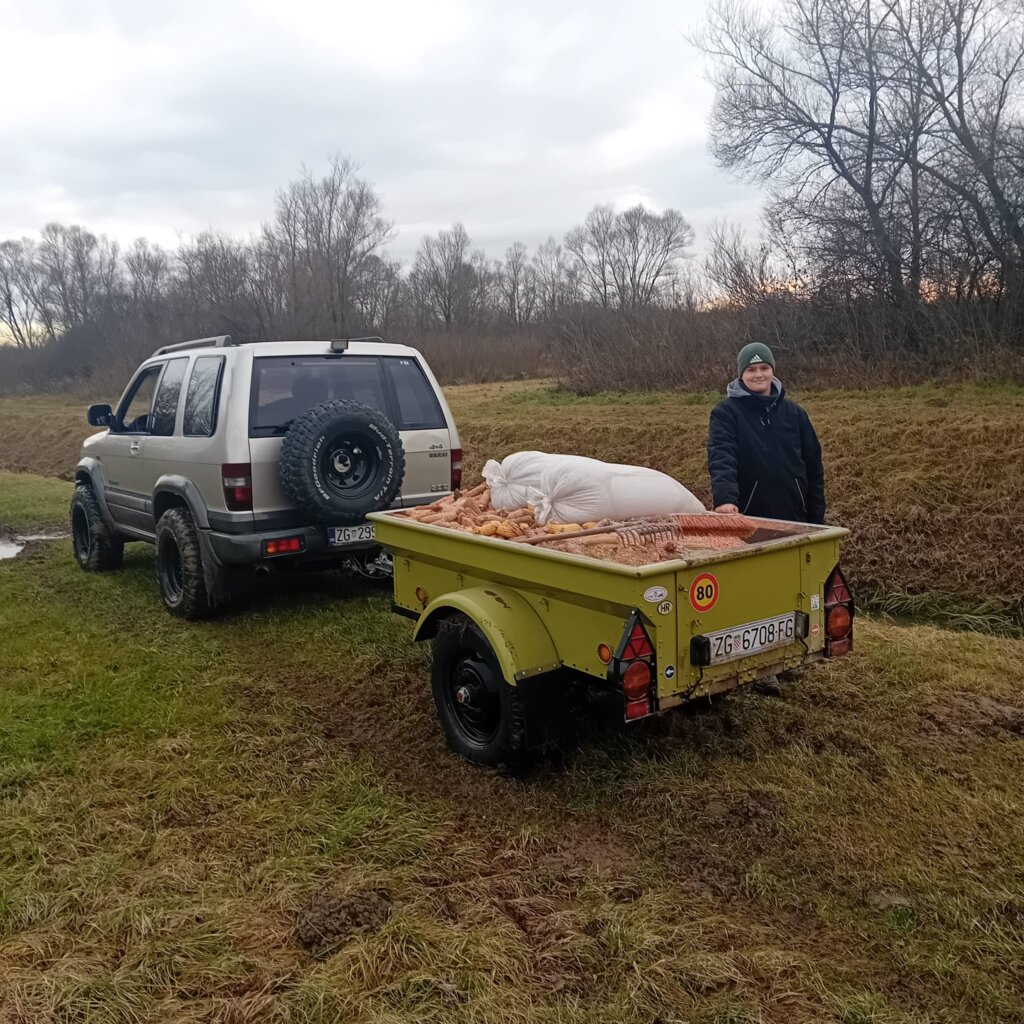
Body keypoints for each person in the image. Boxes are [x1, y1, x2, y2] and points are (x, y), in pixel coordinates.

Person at [707, 341, 825, 524]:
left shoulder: (795, 413)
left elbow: (814, 469)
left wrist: (817, 519)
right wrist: (725, 499)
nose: (759, 375)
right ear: (741, 374)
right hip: (748, 518)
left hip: (795, 517)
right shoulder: (725, 413)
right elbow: (722, 456)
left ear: (772, 370)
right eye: (751, 370)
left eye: (764, 368)